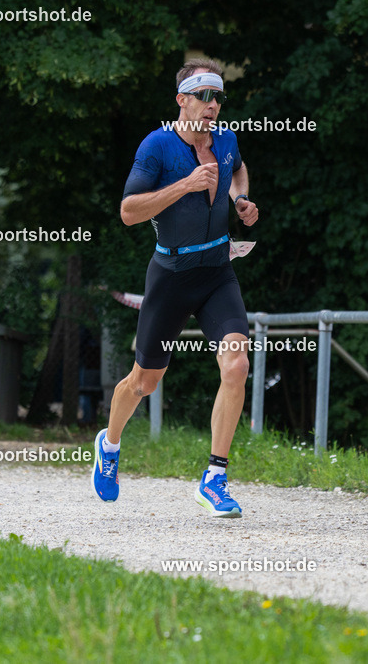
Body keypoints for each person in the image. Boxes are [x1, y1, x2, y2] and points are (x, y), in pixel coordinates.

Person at [92, 58, 259, 518]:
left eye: (218, 97)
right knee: (144, 381)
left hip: (217, 273)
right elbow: (128, 211)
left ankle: (215, 476)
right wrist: (185, 185)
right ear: (182, 100)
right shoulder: (158, 146)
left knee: (237, 363)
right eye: (202, 96)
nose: (212, 105)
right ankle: (109, 445)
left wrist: (240, 199)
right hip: (170, 276)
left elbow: (238, 169)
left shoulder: (226, 140)